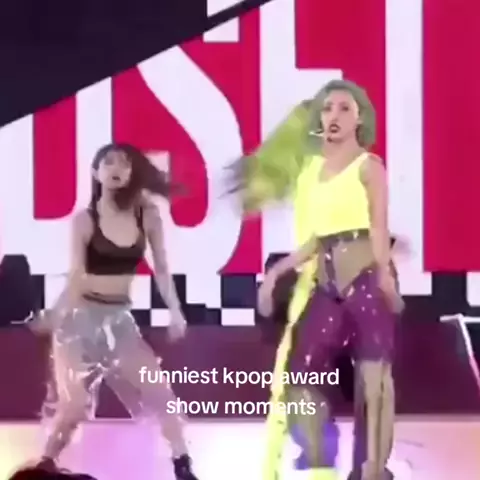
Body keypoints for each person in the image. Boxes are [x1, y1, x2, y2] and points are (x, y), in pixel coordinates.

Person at [227, 79, 402, 480]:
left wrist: (383, 270)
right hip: (321, 283)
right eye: (327, 110)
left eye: (343, 109)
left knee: (372, 383)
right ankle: (320, 460)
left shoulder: (365, 167)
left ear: (359, 119)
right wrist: (276, 273)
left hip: (359, 281)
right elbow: (316, 236)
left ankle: (369, 470)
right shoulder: (313, 171)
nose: (332, 117)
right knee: (298, 381)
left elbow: (372, 226)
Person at [30, 144, 199, 480]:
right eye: (108, 162)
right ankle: (45, 464)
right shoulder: (84, 220)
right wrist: (55, 313)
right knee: (74, 406)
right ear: (96, 173)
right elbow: (76, 276)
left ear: (132, 173)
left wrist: (176, 311)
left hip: (119, 321)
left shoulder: (147, 215)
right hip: (78, 322)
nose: (116, 168)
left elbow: (162, 268)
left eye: (123, 163)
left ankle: (183, 464)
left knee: (159, 391)